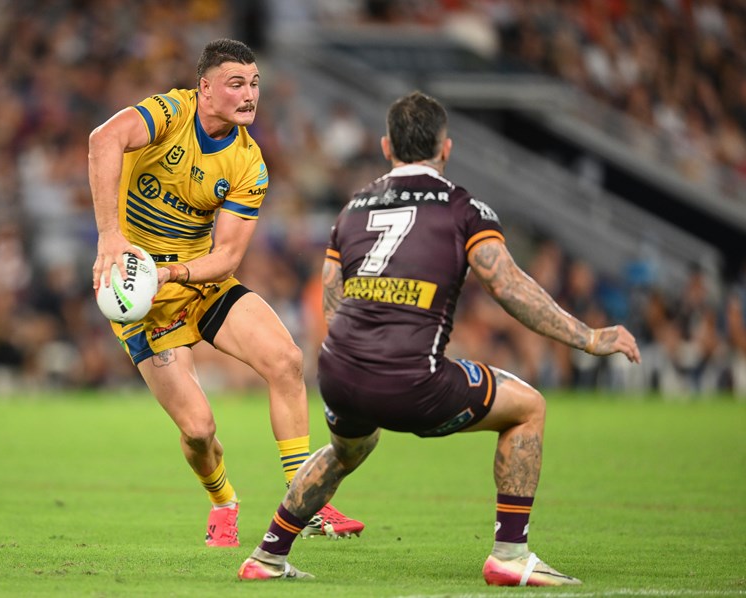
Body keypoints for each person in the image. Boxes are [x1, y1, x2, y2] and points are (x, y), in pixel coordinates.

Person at [238, 91, 641, 583]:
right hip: (412, 381)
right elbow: (508, 287)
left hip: (339, 372)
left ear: (387, 147)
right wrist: (589, 338)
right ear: (446, 148)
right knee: (529, 407)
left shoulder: (352, 210)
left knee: (348, 449)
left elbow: (332, 303)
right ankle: (510, 555)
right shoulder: (464, 209)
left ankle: (268, 555)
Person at [88, 38, 363, 548]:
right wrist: (110, 235)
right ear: (205, 89)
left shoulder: (248, 162)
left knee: (285, 360)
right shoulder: (169, 114)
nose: (249, 94)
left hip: (195, 283)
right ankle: (223, 501)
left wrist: (173, 274)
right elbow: (103, 140)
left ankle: (307, 499)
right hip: (141, 303)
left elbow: (228, 258)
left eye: (255, 83)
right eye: (236, 83)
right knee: (198, 431)